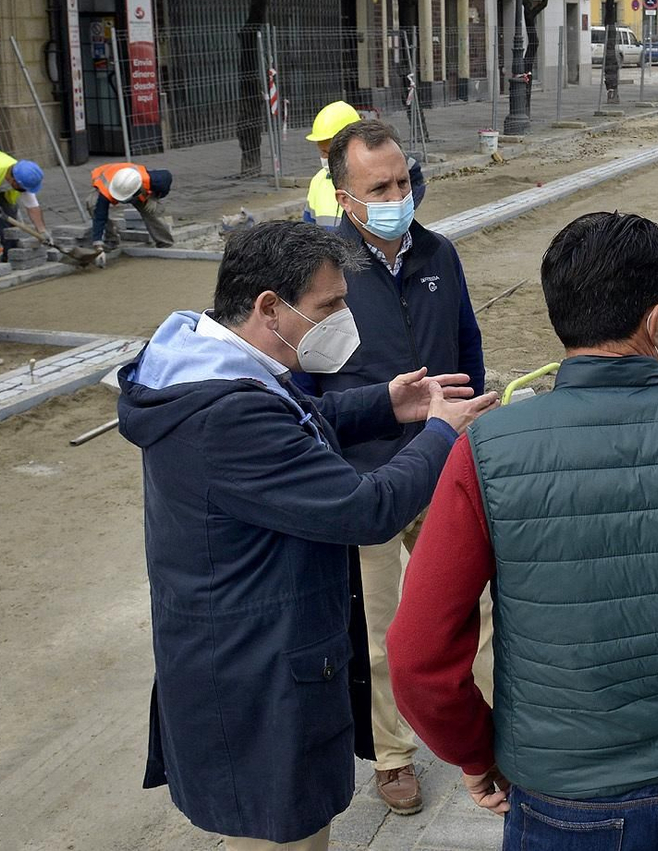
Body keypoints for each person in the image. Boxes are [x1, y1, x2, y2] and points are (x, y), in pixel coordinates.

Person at [390, 211, 658, 851]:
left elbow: (418, 655)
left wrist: (477, 753)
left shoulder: (488, 450)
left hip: (559, 797)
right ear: (656, 321)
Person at [118, 221, 498, 851]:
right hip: (255, 677)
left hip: (246, 651)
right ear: (270, 307)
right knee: (281, 836)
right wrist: (439, 434)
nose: (344, 318)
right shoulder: (226, 413)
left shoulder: (213, 367)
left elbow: (298, 423)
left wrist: (385, 403)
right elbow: (363, 506)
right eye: (330, 305)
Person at [311, 118, 485, 816]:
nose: (395, 195)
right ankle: (392, 756)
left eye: (402, 181)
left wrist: (470, 425)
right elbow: (310, 386)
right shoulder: (325, 270)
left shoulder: (440, 253)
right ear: (344, 195)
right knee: (381, 631)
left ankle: (487, 737)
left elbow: (468, 346)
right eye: (377, 187)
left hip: (445, 466)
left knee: (472, 611)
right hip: (369, 479)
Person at [87, 162, 175, 250]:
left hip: (135, 186)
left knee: (153, 211)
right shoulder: (105, 191)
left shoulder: (152, 179)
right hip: (109, 185)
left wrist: (155, 197)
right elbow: (100, 216)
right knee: (93, 204)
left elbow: (167, 178)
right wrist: (97, 242)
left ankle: (165, 243)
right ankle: (110, 239)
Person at [305, 100, 361, 227]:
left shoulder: (369, 180)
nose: (324, 158)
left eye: (329, 152)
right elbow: (308, 230)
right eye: (322, 151)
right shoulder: (318, 181)